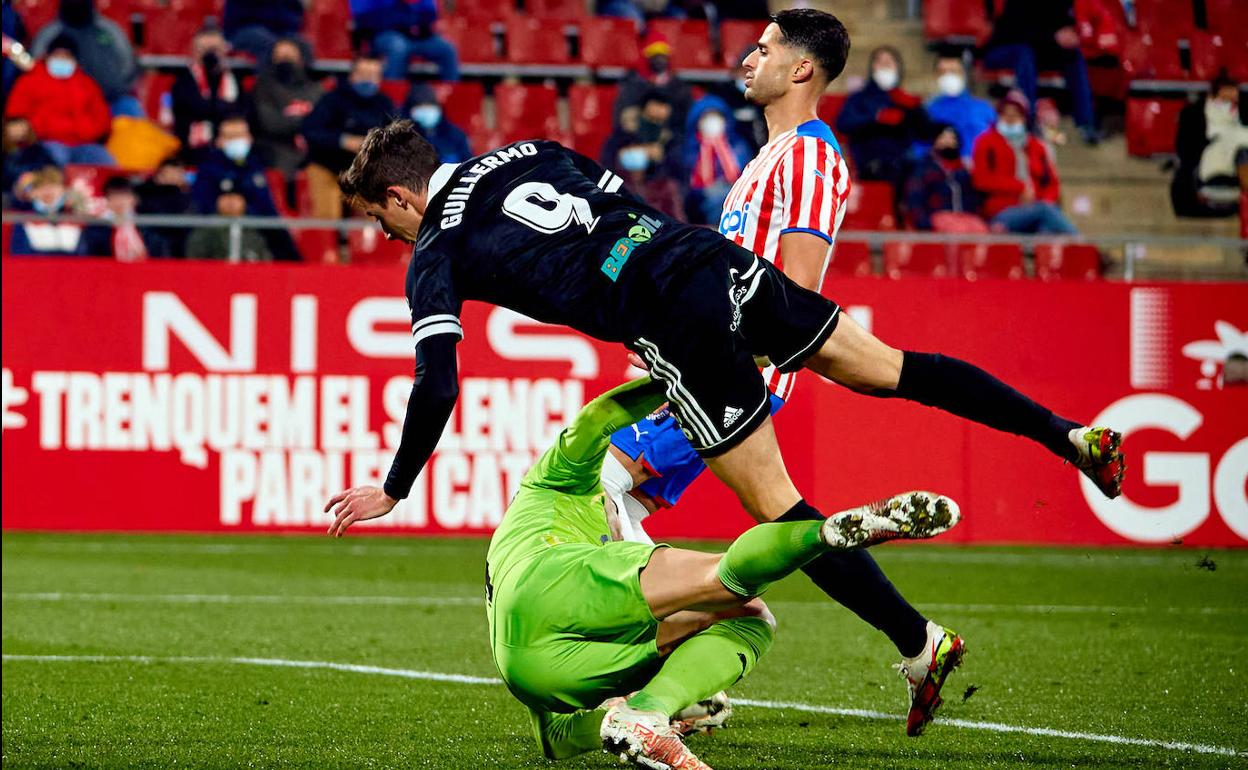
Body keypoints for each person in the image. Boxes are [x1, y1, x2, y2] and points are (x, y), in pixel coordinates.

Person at [327, 109, 1125, 749]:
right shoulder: (526, 150)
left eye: (380, 220)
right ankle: (1068, 436)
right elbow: (623, 202)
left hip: (672, 319)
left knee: (780, 510)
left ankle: (918, 644)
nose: (388, 237)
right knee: (894, 368)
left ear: (401, 198)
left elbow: (437, 380)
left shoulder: (434, 247)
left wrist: (395, 488)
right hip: (710, 258)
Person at [601, 10, 1113, 739]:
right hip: (709, 366)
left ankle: (658, 683)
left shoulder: (808, 159)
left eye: (766, 48)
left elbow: (790, 300)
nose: (748, 59)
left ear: (801, 69)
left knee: (606, 486)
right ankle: (916, 640)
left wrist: (702, 346)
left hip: (732, 374)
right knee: (781, 515)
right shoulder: (766, 158)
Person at [327, 374, 962, 768]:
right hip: (562, 581)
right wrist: (676, 369)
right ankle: (822, 533)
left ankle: (645, 714)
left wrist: (602, 718)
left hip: (527, 667)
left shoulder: (534, 520)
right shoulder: (563, 479)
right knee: (735, 596)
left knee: (727, 615)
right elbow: (600, 418)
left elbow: (556, 739)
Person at [981, 0, 1100, 145]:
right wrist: (1053, 37)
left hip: (1041, 48)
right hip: (1003, 48)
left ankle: (1086, 123)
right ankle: (1027, 120)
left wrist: (1069, 36)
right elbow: (1016, 31)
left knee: (1074, 56)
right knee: (1024, 54)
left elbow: (1065, 26)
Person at [191, 112, 299, 261]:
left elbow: (267, 209)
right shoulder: (208, 169)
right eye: (230, 136)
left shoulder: (257, 168)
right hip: (215, 230)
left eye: (240, 135)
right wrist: (219, 206)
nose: (236, 140)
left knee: (279, 238)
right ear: (219, 141)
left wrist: (245, 208)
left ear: (249, 138)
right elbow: (198, 204)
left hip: (254, 228)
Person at [302, 53, 394, 219]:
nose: (368, 80)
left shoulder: (384, 104)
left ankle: (365, 245)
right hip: (327, 166)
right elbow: (311, 132)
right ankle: (327, 245)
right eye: (363, 75)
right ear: (353, 75)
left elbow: (398, 139)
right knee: (326, 216)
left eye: (373, 75)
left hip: (364, 173)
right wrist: (343, 141)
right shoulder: (332, 100)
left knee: (377, 214)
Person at [972, 90, 1077, 235]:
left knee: (1046, 229)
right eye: (1005, 115)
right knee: (1045, 212)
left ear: (1023, 118)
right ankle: (1085, 247)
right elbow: (981, 179)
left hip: (1037, 207)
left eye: (1015, 115)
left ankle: (1077, 252)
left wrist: (1044, 200)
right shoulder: (985, 143)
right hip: (1003, 211)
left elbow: (1051, 183)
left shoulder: (1036, 146)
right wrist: (1020, 187)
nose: (1010, 119)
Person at [4, 34, 114, 166]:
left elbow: (102, 119)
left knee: (104, 160)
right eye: (57, 55)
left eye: (66, 56)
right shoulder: (30, 81)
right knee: (53, 159)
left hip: (84, 143)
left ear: (75, 60)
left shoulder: (87, 84)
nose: (61, 59)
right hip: (46, 142)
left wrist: (86, 131)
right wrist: (37, 129)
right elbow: (16, 116)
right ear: (48, 56)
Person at [835, 45, 933, 188]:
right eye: (880, 62)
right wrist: (875, 118)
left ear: (898, 68)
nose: (885, 66)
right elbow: (843, 124)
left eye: (889, 62)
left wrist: (916, 111)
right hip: (869, 169)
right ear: (872, 67)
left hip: (904, 171)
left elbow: (926, 134)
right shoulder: (859, 98)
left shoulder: (906, 100)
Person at [29, 0, 140, 117]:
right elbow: (35, 69)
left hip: (112, 102)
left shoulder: (109, 30)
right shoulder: (50, 34)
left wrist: (117, 87)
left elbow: (128, 64)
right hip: (61, 108)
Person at [601, 88, 684, 220]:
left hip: (656, 190)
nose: (660, 110)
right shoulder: (622, 135)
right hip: (625, 187)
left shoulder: (670, 139)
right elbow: (606, 164)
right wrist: (625, 156)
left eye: (663, 105)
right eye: (657, 104)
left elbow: (678, 171)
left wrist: (659, 158)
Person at [1172, 73, 1247, 218]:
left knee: (1243, 152)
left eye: (1234, 102)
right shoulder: (1193, 114)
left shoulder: (1243, 115)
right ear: (1213, 96)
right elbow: (1185, 149)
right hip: (1207, 165)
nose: (1230, 106)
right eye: (1225, 100)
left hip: (1238, 160)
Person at [170, 24, 245, 160]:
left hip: (229, 146)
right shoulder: (183, 81)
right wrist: (223, 106)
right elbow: (194, 108)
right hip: (194, 151)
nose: (210, 55)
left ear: (224, 50)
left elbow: (241, 112)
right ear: (194, 52)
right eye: (205, 50)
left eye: (215, 49)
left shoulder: (233, 79)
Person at [251, 37, 322, 176]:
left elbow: (323, 122)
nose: (284, 62)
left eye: (289, 57)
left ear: (301, 59)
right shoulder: (263, 87)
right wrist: (305, 122)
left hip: (313, 146)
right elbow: (270, 123)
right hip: (275, 146)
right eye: (280, 57)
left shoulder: (316, 89)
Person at [682, 95, 751, 226]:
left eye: (717, 116)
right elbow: (682, 183)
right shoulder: (688, 147)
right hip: (698, 209)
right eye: (706, 117)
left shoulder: (739, 145)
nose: (712, 122)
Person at [350, 0, 459, 81]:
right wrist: (398, 12)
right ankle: (392, 97)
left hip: (415, 36)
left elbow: (430, 15)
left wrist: (414, 15)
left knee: (447, 49)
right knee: (398, 47)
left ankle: (452, 97)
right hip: (382, 34)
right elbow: (362, 19)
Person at [613, 29, 693, 135]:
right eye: (654, 54)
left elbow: (685, 118)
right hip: (638, 137)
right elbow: (623, 116)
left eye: (663, 54)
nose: (660, 59)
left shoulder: (679, 87)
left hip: (671, 138)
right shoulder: (633, 83)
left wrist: (668, 115)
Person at [903, 127, 983, 231]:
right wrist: (924, 223)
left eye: (952, 138)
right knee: (958, 230)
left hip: (966, 216)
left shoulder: (964, 171)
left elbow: (975, 198)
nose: (949, 142)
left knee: (982, 231)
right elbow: (915, 198)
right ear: (935, 141)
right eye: (944, 138)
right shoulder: (925, 169)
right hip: (938, 216)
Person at [922, 54, 995, 163]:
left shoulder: (984, 109)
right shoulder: (927, 111)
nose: (948, 76)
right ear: (936, 76)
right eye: (943, 72)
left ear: (963, 74)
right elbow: (919, 148)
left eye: (953, 71)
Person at [9, 164, 93, 256]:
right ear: (32, 192)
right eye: (42, 186)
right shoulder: (24, 219)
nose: (48, 190)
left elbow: (84, 254)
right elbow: (19, 255)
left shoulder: (75, 219)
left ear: (63, 189)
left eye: (53, 185)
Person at [82, 175, 165, 260]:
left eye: (124, 196)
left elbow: (159, 252)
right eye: (114, 196)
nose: (119, 201)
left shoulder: (146, 224)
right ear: (106, 200)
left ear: (133, 199)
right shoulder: (96, 227)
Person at [186, 186, 275, 261]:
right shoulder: (205, 231)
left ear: (244, 202)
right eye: (226, 196)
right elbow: (194, 260)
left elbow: (265, 262)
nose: (230, 202)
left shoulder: (254, 233)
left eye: (235, 197)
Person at [135, 156, 193, 257]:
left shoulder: (187, 196)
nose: (174, 178)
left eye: (178, 174)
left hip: (178, 238)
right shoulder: (143, 192)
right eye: (170, 174)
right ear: (159, 175)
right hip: (152, 235)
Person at [405, 82, 470, 165]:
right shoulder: (404, 138)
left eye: (430, 105)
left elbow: (468, 165)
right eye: (420, 106)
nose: (426, 110)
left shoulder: (456, 135)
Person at [223, 0, 308, 64]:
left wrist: (287, 42)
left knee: (302, 46)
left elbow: (294, 15)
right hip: (242, 29)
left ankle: (302, 86)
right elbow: (238, 16)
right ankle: (267, 85)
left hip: (279, 31)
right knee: (270, 46)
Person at [3, 116, 56, 204]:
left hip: (36, 189)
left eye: (21, 126)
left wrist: (34, 177)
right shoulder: (5, 152)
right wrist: (19, 180)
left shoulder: (37, 149)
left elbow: (52, 169)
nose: (17, 130)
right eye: (13, 126)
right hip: (10, 192)